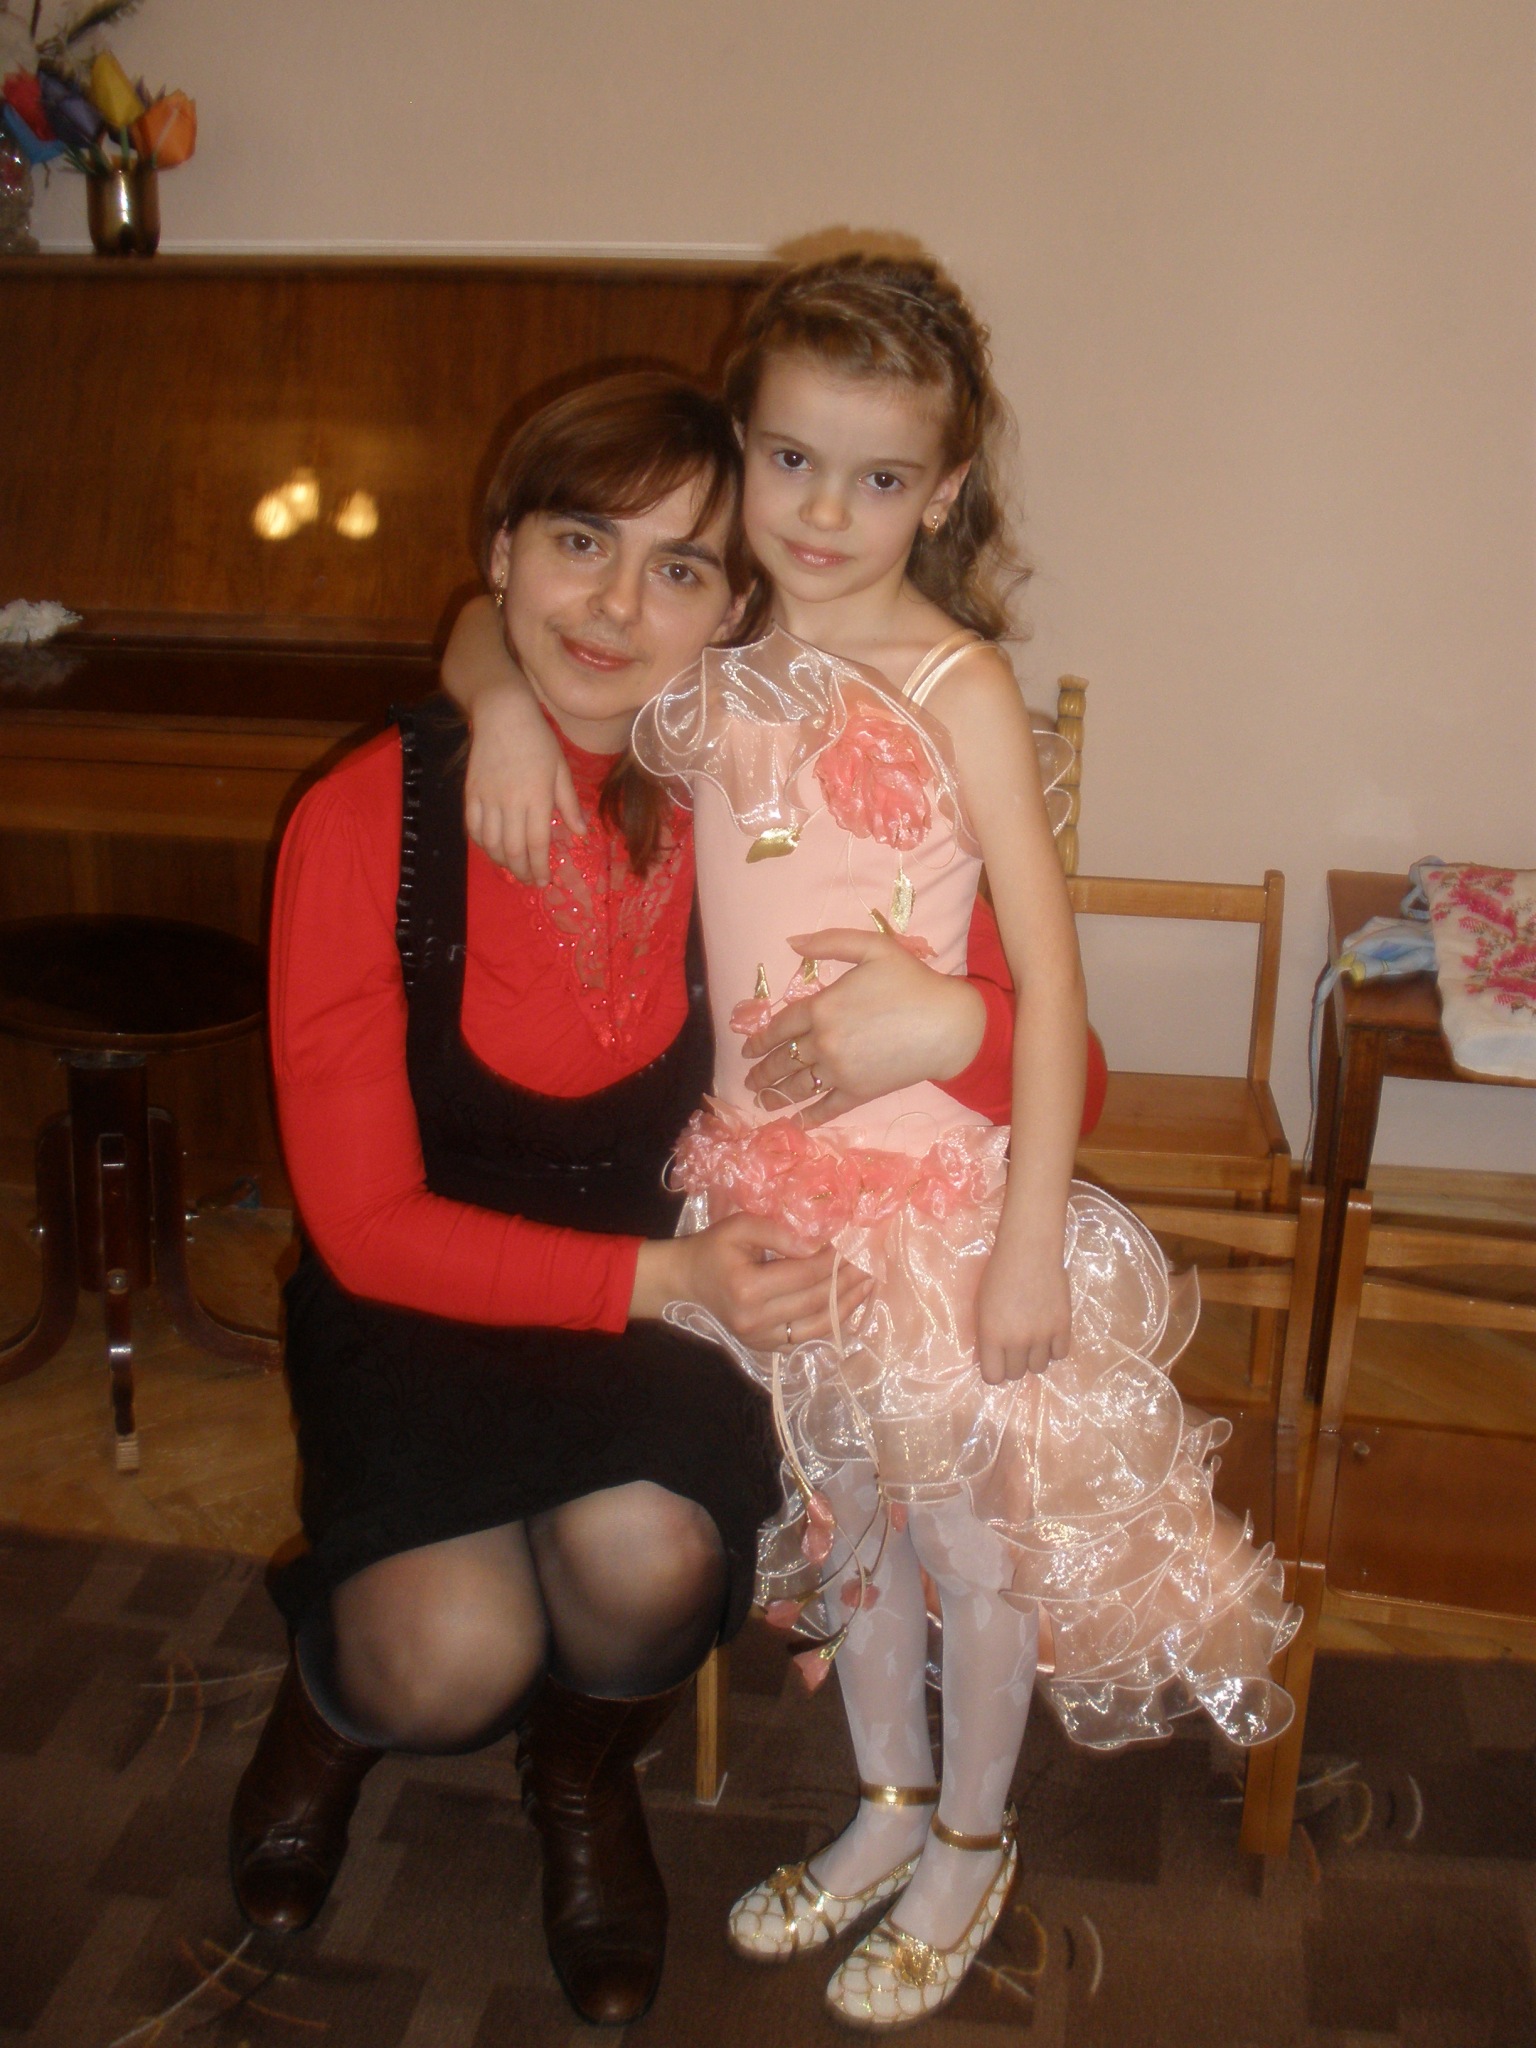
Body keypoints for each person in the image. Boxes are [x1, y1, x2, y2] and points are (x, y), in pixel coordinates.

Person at [456, 254, 1299, 2030]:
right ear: (740, 451)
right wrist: (505, 706)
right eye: (789, 461)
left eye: (880, 477)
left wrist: (1026, 1247)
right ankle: (887, 1811)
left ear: (947, 489)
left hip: (938, 1212)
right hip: (770, 1203)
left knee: (972, 1551)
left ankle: (974, 1844)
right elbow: (498, 625)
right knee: (852, 1540)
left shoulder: (958, 684)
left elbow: (1052, 993)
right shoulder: (708, 650)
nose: (825, 513)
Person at [231, 372, 1049, 2030]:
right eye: (577, 543)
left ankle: (583, 1777)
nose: (614, 606)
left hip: (663, 1284)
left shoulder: (735, 784)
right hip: (428, 1301)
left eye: (678, 568)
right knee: (440, 1655)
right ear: (502, 552)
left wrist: (955, 1026)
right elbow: (365, 1230)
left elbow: (1069, 1065)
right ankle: (327, 1712)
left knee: (659, 1562)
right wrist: (490, 694)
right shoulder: (365, 822)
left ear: (731, 608)